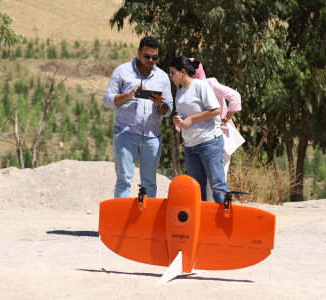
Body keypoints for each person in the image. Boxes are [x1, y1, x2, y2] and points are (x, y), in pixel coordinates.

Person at [103, 36, 173, 198]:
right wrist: (128, 94)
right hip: (125, 133)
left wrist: (159, 104)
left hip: (152, 136)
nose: (151, 60)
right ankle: (121, 222)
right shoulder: (122, 71)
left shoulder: (162, 77)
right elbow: (107, 100)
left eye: (154, 57)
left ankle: (146, 222)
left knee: (149, 183)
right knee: (124, 181)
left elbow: (168, 110)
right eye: (147, 56)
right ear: (139, 52)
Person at [170, 56, 230, 203]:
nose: (170, 76)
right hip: (190, 146)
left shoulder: (200, 86)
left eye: (172, 73)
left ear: (183, 71)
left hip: (209, 141)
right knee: (196, 189)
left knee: (218, 187)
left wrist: (191, 119)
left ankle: (225, 223)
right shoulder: (179, 93)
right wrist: (178, 120)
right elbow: (185, 116)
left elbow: (216, 110)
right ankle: (201, 224)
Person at [188, 58, 245, 202]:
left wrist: (226, 117)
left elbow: (235, 96)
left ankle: (217, 218)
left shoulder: (209, 84)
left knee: (215, 183)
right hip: (201, 138)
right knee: (211, 183)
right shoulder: (189, 88)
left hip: (217, 137)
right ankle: (211, 219)